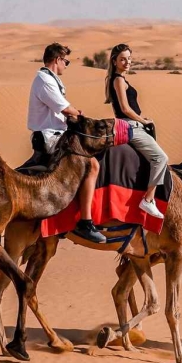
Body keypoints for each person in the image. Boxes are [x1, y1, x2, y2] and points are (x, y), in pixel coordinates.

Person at [27, 42, 106, 244]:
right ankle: (86, 222)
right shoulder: (44, 80)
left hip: (57, 133)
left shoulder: (49, 79)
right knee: (91, 165)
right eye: (66, 61)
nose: (66, 65)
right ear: (57, 59)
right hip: (49, 137)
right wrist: (78, 113)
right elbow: (63, 107)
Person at [104, 44, 169, 221]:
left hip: (133, 123)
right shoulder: (118, 80)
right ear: (114, 61)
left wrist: (141, 118)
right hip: (130, 125)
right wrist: (143, 121)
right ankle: (148, 199)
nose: (127, 62)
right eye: (122, 59)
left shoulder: (122, 79)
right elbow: (125, 108)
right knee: (161, 158)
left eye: (129, 58)